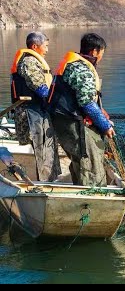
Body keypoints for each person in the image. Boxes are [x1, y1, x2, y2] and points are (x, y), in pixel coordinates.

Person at [48, 33, 115, 186]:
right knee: (89, 163)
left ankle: (80, 190)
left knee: (78, 160)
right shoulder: (82, 69)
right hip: (73, 123)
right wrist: (105, 125)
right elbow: (86, 102)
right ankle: (92, 199)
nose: (101, 57)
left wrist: (100, 113)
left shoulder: (72, 65)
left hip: (62, 121)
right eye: (101, 53)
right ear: (94, 52)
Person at [9, 32, 61, 181]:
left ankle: (49, 180)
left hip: (38, 111)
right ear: (34, 46)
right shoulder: (29, 62)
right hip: (31, 113)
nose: (47, 50)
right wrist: (58, 102)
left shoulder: (34, 61)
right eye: (45, 46)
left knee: (46, 148)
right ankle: (45, 185)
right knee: (42, 149)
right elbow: (41, 89)